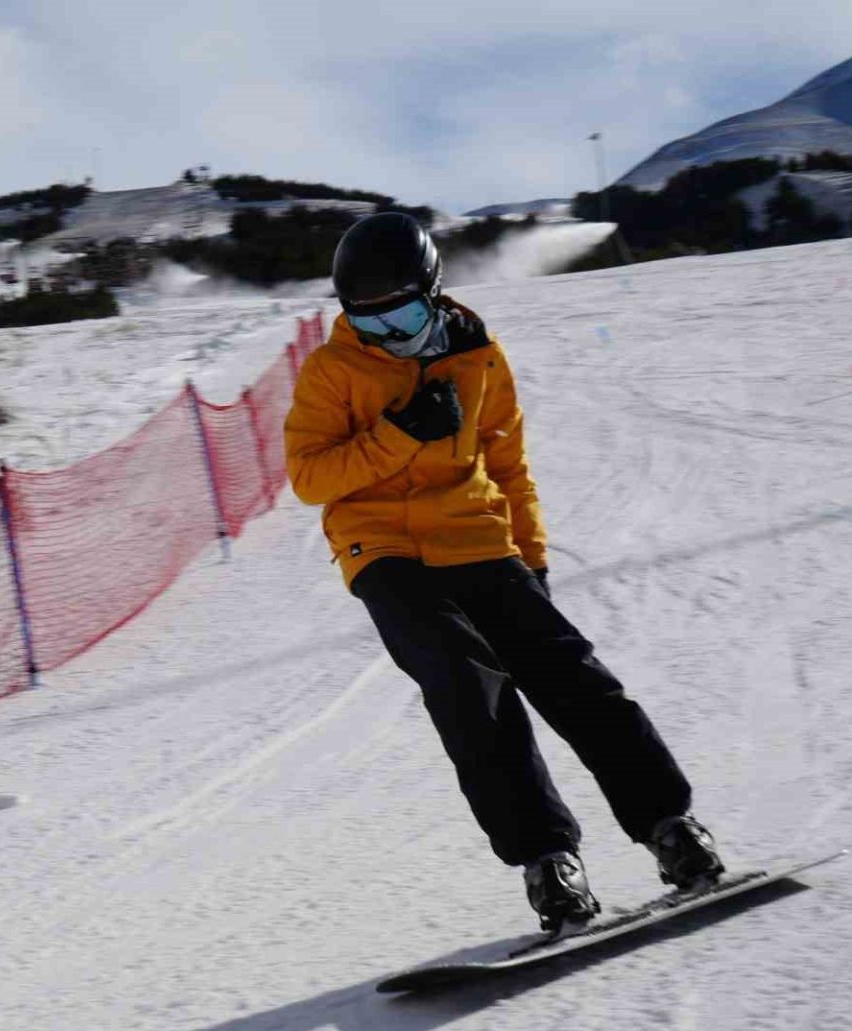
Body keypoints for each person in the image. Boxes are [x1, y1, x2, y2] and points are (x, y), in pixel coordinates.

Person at [283, 212, 723, 931]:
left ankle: (671, 827)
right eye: (370, 321)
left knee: (573, 675)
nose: (389, 334)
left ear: (434, 293)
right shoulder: (332, 371)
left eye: (403, 316)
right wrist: (398, 434)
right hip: (383, 549)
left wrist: (533, 558)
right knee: (468, 689)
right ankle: (549, 861)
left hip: (479, 538)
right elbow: (309, 476)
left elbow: (509, 465)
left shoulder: (480, 355)